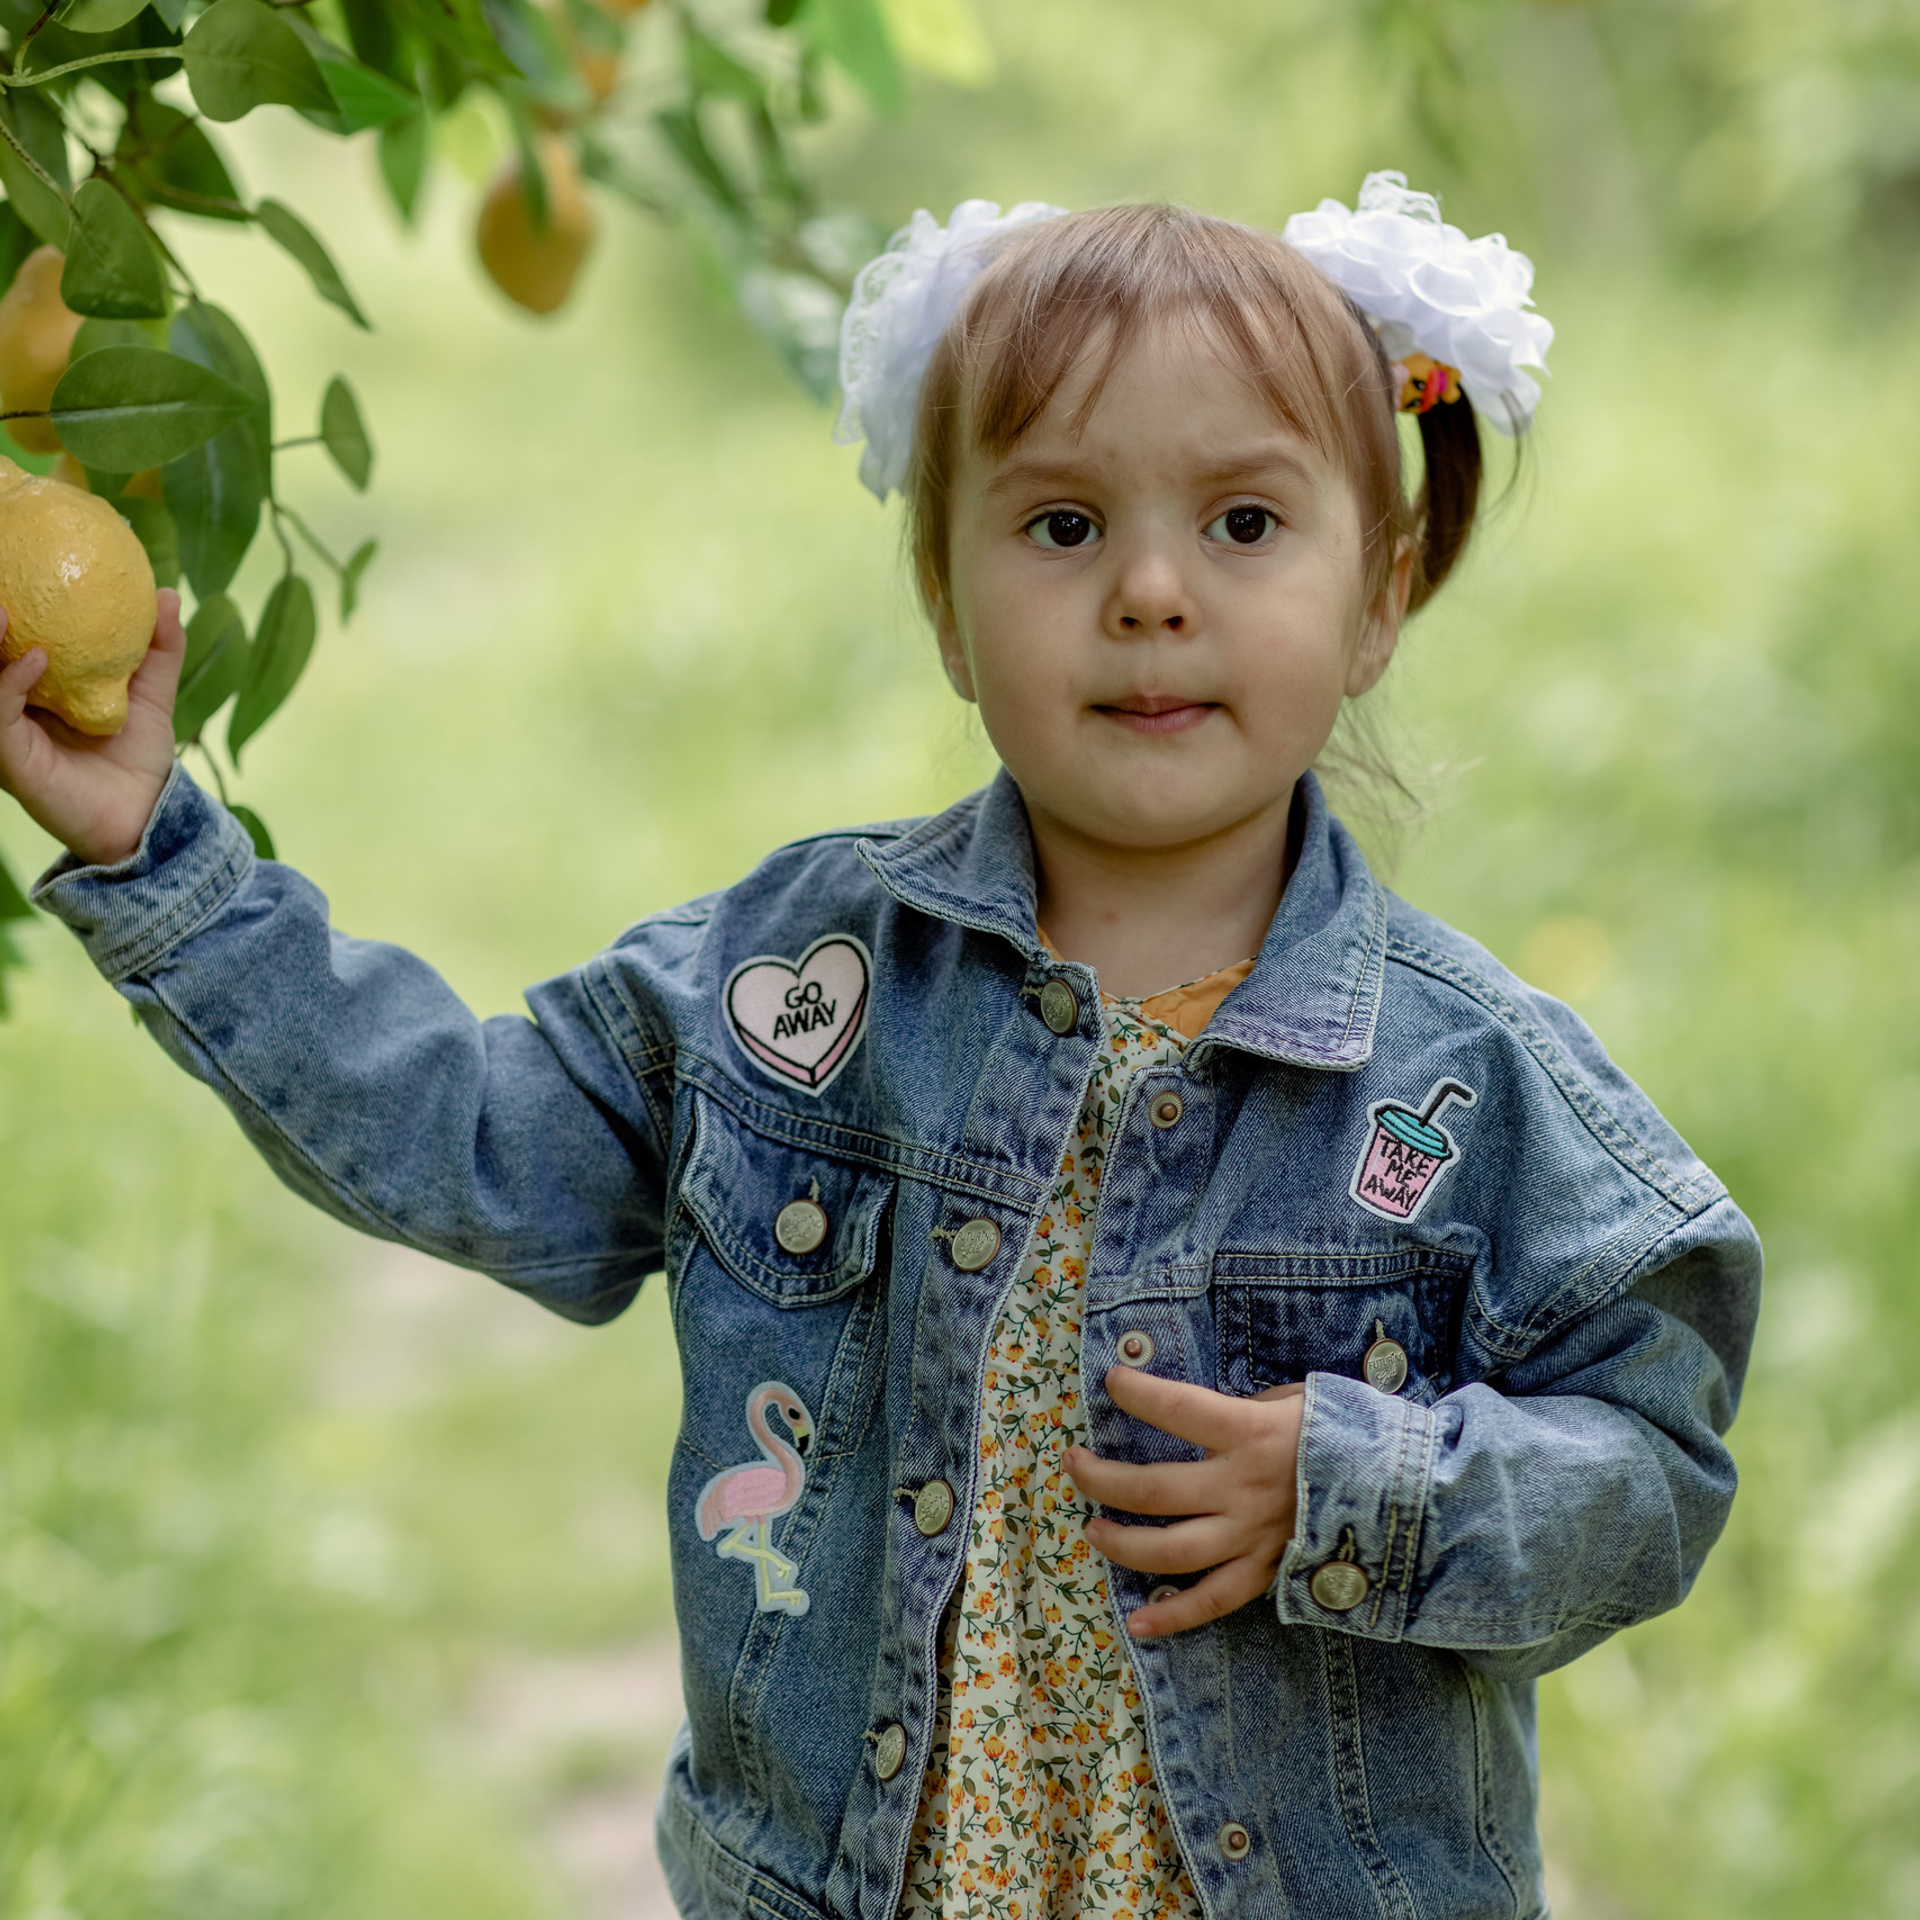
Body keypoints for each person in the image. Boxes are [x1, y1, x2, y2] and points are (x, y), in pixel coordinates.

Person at [0, 175, 1760, 1920]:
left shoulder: (1465, 1081)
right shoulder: (804, 983)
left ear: (1377, 592)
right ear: (944, 595)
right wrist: (161, 861)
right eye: (1063, 526)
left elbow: (1653, 1464)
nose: (1150, 590)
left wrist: (1367, 1483)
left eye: (1243, 524)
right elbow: (471, 1135)